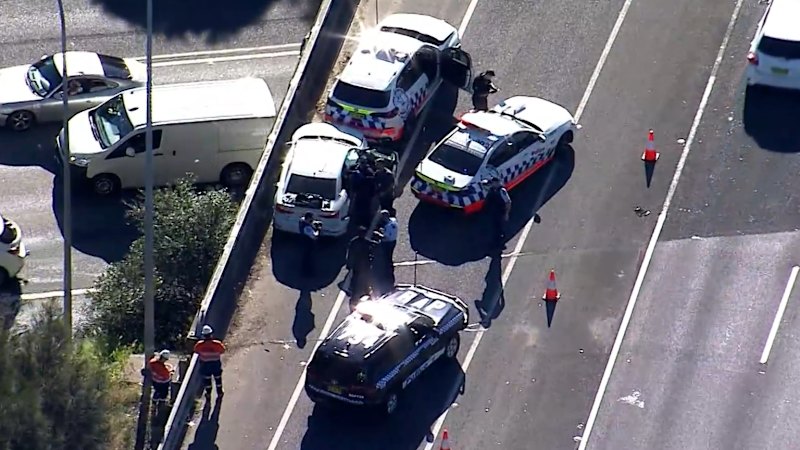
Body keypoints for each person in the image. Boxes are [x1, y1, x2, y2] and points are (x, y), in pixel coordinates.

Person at [194, 325, 226, 399]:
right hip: (215, 364)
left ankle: (208, 394)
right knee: (218, 379)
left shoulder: (199, 345)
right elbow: (222, 350)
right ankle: (220, 393)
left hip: (205, 365)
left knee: (207, 380)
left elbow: (196, 351)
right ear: (211, 334)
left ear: (203, 335)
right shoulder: (217, 344)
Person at [483, 177, 511, 250]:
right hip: (492, 213)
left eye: (495, 182)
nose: (494, 184)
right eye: (493, 183)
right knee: (493, 227)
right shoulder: (491, 190)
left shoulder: (502, 191)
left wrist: (506, 214)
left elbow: (508, 202)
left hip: (499, 213)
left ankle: (499, 243)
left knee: (498, 228)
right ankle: (495, 241)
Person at [377, 210, 398, 287]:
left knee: (387, 257)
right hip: (393, 241)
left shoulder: (388, 227)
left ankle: (387, 270)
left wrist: (379, 235)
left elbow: (385, 237)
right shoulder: (393, 221)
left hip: (388, 243)